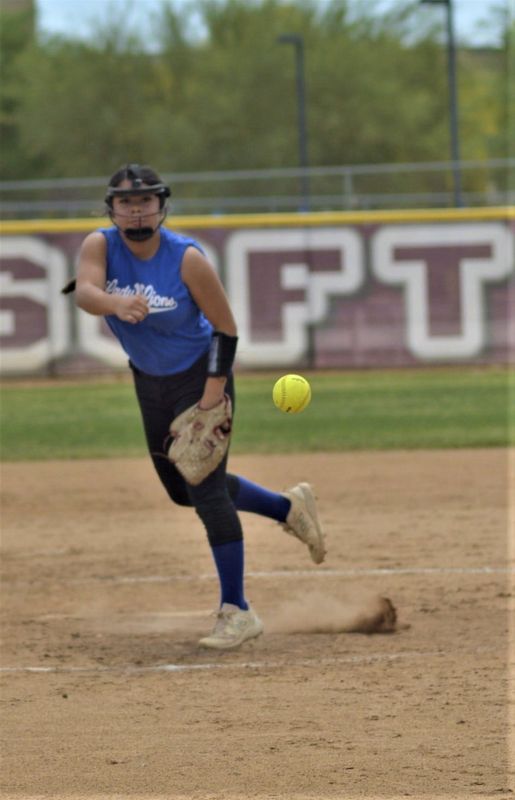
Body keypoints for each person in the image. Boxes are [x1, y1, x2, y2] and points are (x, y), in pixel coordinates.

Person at [71, 163, 326, 650]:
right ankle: (285, 507)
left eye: (146, 200)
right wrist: (114, 304)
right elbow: (84, 292)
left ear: (162, 206)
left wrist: (213, 394)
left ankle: (238, 611)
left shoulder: (187, 259)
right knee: (180, 490)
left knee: (206, 491)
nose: (136, 209)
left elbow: (226, 329)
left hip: (199, 377)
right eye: (126, 202)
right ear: (112, 209)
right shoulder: (99, 245)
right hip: (149, 382)